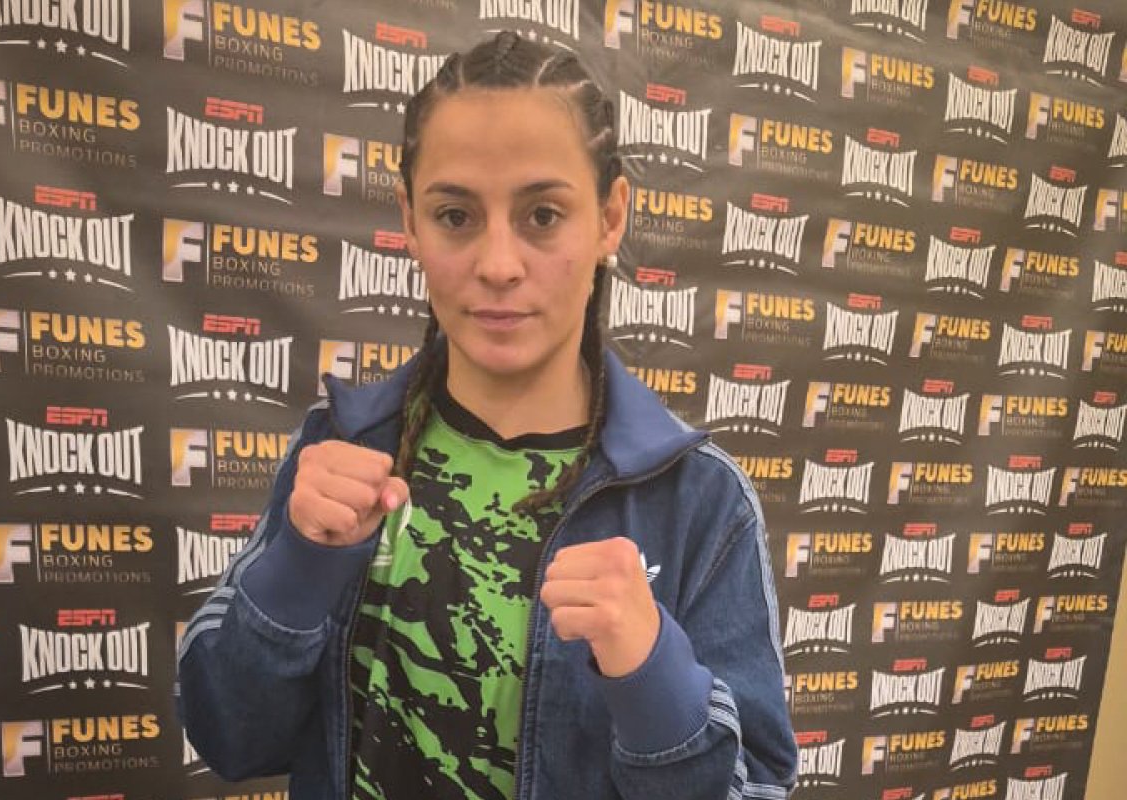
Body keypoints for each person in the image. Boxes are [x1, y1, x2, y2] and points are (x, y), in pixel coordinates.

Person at [177, 31, 797, 800]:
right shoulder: (340, 448)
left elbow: (758, 787)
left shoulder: (698, 501)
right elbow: (228, 738)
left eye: (543, 215)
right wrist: (296, 574)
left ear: (610, 217)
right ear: (409, 220)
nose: (498, 265)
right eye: (455, 215)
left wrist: (654, 678)